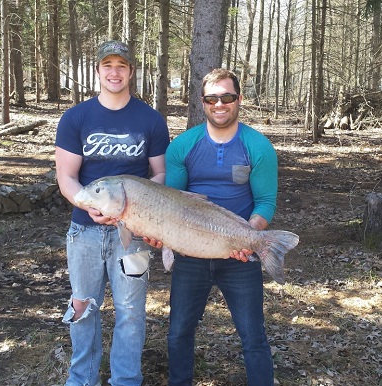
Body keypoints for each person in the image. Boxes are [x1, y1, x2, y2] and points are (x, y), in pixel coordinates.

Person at [54, 40, 170, 386]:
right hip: (84, 234)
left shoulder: (150, 119)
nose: (114, 72)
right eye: (108, 65)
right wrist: (89, 205)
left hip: (131, 233)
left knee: (131, 312)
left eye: (121, 65)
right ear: (98, 71)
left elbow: (160, 176)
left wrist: (138, 212)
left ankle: (125, 380)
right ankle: (82, 379)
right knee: (83, 307)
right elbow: (67, 177)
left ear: (131, 71)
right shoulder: (77, 117)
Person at [165, 68, 278, 386]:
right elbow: (172, 203)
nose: (219, 104)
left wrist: (250, 235)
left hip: (239, 256)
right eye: (212, 98)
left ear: (238, 99)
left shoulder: (257, 146)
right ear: (202, 102)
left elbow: (265, 201)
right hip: (190, 256)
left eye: (227, 97)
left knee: (253, 336)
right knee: (178, 333)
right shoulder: (182, 147)